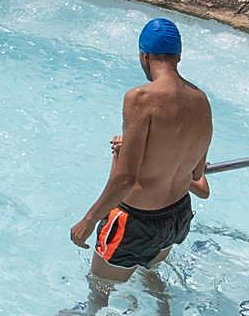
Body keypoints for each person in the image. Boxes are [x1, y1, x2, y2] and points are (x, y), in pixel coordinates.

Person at [69, 18, 212, 313]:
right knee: (151, 274)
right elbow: (196, 174)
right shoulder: (201, 101)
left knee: (99, 292)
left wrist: (88, 221)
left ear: (144, 55)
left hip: (135, 222)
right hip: (177, 217)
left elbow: (125, 180)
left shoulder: (141, 98)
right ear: (178, 56)